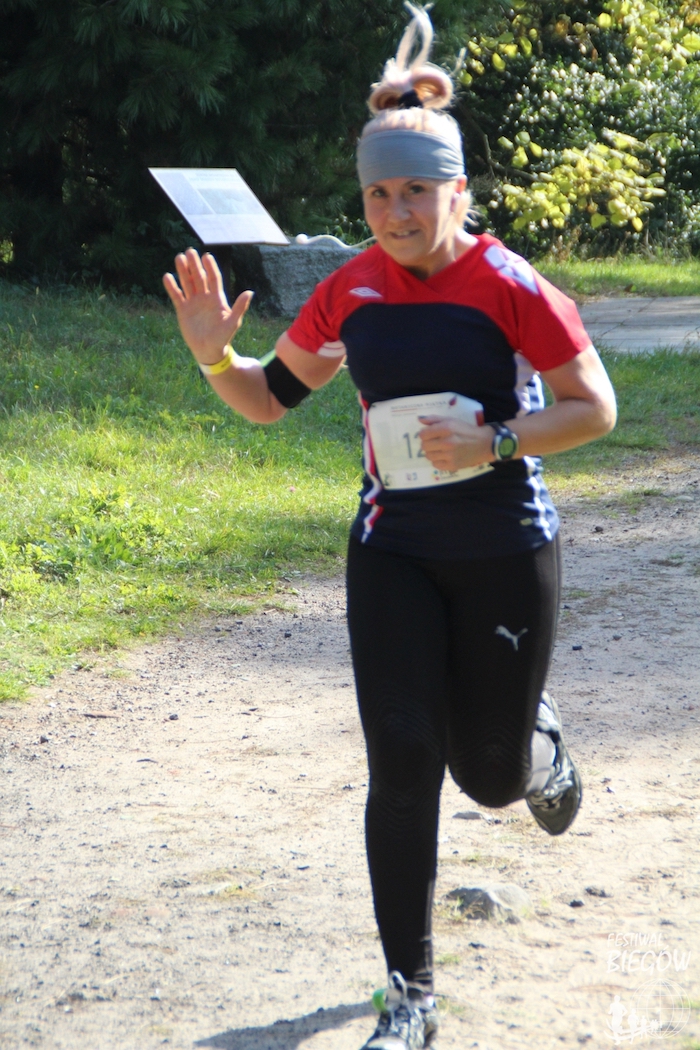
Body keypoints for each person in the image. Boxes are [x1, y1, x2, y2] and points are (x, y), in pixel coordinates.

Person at [163, 6, 617, 1047]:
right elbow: (270, 398)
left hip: (504, 548)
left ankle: (537, 748)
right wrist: (211, 355)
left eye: (416, 191)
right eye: (378, 193)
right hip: (393, 552)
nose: (397, 212)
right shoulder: (350, 288)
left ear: (456, 190)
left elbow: (593, 408)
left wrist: (497, 441)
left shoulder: (511, 285)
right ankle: (409, 996)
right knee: (403, 758)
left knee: (488, 775)